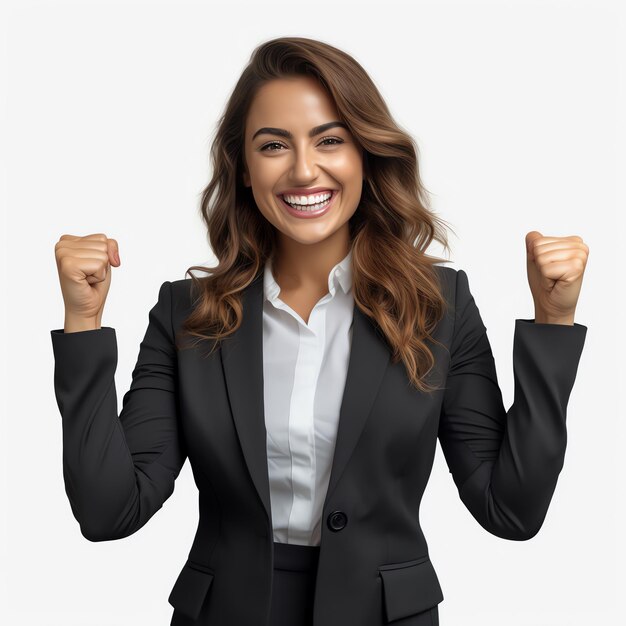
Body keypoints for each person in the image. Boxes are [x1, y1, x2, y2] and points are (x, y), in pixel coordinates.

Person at [50, 36, 589, 626]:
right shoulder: (187, 313)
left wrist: (553, 320)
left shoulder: (439, 305)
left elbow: (510, 510)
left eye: (330, 140)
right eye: (274, 145)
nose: (304, 169)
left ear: (365, 155)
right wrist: (84, 321)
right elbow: (108, 512)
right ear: (245, 170)